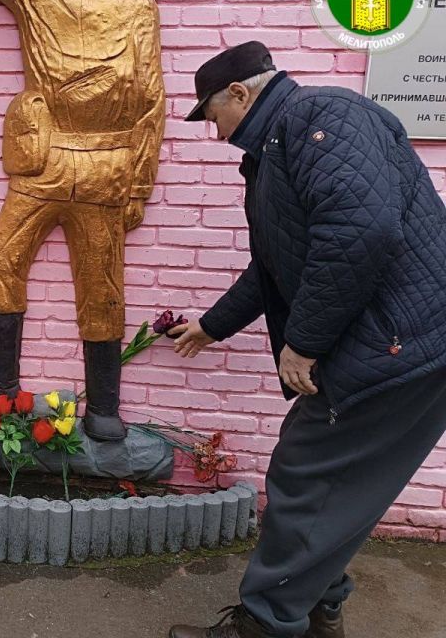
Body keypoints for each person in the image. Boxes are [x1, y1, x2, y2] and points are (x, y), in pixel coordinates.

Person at [168, 42, 446, 638]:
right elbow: (272, 266)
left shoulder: (323, 117)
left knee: (305, 478)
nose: (215, 135)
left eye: (213, 117)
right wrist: (212, 325)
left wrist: (305, 342)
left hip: (394, 348)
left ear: (240, 93)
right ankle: (320, 607)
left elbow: (362, 230)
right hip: (390, 343)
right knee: (334, 486)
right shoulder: (281, 144)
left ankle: (268, 625)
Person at [0, 0, 166, 441]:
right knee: (0, 258)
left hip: (106, 165)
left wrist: (140, 182)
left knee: (101, 285)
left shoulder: (135, 7)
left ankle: (103, 406)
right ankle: (3, 387)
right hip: (43, 161)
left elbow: (150, 99)